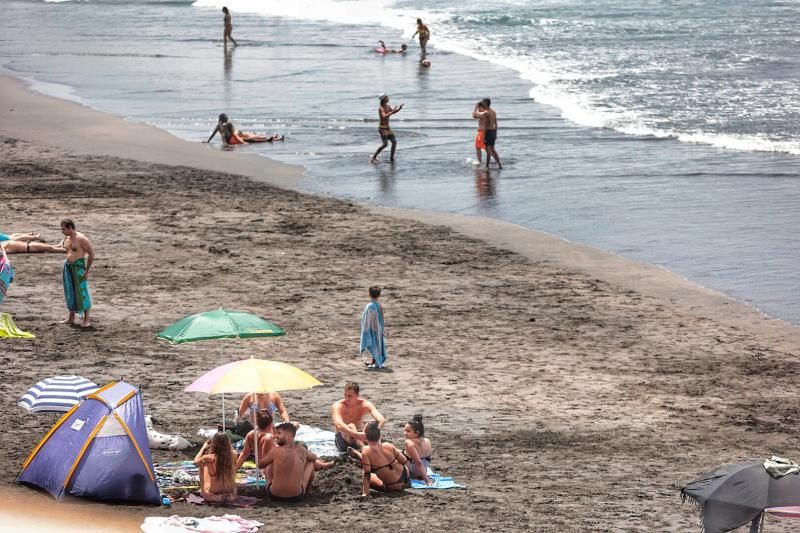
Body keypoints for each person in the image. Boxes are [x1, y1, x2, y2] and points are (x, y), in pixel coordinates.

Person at [259, 422, 317, 502]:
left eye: (279, 433)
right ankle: (307, 492)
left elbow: (260, 465)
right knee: (310, 463)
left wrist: (261, 450)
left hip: (274, 495)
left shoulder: (276, 451)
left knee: (270, 462)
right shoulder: (302, 450)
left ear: (288, 436)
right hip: (296, 496)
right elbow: (314, 457)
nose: (275, 436)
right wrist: (304, 457)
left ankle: (270, 484)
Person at [357, 421, 410, 497]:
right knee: (391, 463)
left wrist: (365, 493)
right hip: (406, 479)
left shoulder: (366, 451)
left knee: (366, 473)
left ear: (365, 436)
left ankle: (358, 456)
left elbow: (367, 474)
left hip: (391, 486)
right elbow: (404, 461)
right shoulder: (388, 445)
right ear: (379, 435)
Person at [331, 382, 385, 452]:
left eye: (350, 396)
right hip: (343, 439)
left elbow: (381, 419)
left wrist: (377, 428)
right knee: (351, 426)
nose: (347, 398)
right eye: (345, 395)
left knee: (371, 424)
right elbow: (338, 424)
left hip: (360, 435)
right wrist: (356, 435)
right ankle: (366, 450)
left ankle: (373, 447)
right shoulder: (338, 406)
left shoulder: (365, 404)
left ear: (357, 395)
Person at [59, 219, 94, 328]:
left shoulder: (81, 239)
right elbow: (65, 249)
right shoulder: (66, 238)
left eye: (64, 229)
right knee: (70, 291)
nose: (62, 231)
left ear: (70, 228)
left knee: (82, 292)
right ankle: (71, 317)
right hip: (68, 267)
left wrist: (86, 271)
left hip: (78, 268)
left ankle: (87, 319)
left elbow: (91, 254)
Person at [194, 432, 239, 503]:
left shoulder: (209, 457)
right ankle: (230, 493)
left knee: (202, 466)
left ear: (214, 443)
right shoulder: (234, 454)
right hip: (230, 491)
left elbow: (195, 463)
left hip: (214, 491)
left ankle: (204, 492)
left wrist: (203, 447)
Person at [235, 411, 276, 479]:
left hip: (260, 466)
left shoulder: (251, 434)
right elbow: (265, 458)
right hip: (268, 470)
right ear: (270, 424)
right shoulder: (269, 437)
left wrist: (235, 469)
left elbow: (244, 453)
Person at [206, 114, 284, 145]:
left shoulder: (218, 126)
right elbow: (234, 135)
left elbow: (213, 134)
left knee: (252, 138)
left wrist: (208, 141)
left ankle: (274, 138)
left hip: (231, 140)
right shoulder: (229, 124)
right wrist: (242, 142)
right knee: (252, 139)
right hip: (233, 140)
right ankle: (272, 139)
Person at [359, 285, 387, 369]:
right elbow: (382, 318)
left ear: (369, 294)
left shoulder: (370, 306)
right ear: (379, 295)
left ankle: (375, 363)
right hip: (378, 329)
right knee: (377, 345)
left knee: (373, 344)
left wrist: (366, 330)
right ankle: (374, 362)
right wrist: (381, 329)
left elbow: (367, 319)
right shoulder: (379, 305)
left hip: (372, 329)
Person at [370, 94, 403, 163]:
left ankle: (391, 158)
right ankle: (373, 157)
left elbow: (392, 112)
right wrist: (391, 112)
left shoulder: (388, 106)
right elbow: (384, 116)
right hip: (382, 128)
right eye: (386, 97)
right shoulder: (381, 108)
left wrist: (399, 109)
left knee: (394, 142)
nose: (388, 98)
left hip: (388, 128)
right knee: (385, 144)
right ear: (383, 99)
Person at [403, 414, 433, 485]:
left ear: (416, 433)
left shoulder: (409, 442)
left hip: (412, 473)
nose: (405, 433)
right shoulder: (427, 440)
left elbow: (418, 462)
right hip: (423, 472)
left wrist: (427, 480)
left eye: (408, 431)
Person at [473, 98, 501, 168]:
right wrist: (496, 133)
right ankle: (499, 164)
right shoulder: (493, 112)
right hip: (493, 131)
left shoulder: (486, 113)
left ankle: (487, 166)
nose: (482, 104)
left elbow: (474, 116)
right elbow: (496, 124)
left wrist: (476, 106)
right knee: (492, 149)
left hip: (487, 132)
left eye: (483, 103)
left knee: (488, 150)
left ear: (486, 104)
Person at [472, 100, 488, 165]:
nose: (478, 109)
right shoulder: (487, 113)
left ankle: (479, 161)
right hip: (484, 132)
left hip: (481, 133)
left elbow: (474, 115)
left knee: (478, 147)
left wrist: (475, 106)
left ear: (482, 107)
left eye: (479, 108)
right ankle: (493, 159)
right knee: (485, 147)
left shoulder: (484, 114)